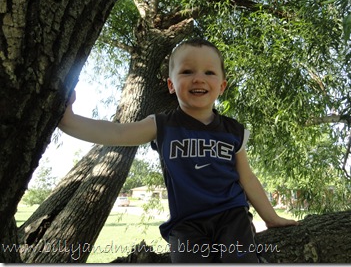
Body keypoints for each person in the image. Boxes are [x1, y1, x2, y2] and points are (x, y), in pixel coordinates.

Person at [59, 38, 298, 263]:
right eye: (187, 71)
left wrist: (271, 217)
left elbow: (247, 177)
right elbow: (117, 133)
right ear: (171, 85)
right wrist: (68, 121)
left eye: (209, 72)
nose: (198, 78)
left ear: (222, 86)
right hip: (187, 223)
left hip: (232, 216)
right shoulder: (163, 125)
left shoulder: (233, 130)